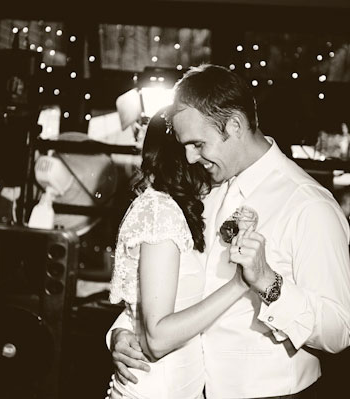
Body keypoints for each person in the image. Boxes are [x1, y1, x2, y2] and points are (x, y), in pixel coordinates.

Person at [108, 64, 350, 399]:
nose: (190, 158)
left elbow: (339, 331)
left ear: (235, 126)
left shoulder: (308, 205)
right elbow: (175, 286)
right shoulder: (202, 191)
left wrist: (269, 282)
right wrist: (123, 333)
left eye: (198, 144)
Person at [106, 107, 251, 399]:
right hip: (157, 389)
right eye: (194, 146)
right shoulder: (161, 212)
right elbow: (157, 337)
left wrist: (119, 331)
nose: (199, 156)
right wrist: (241, 284)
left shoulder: (183, 209)